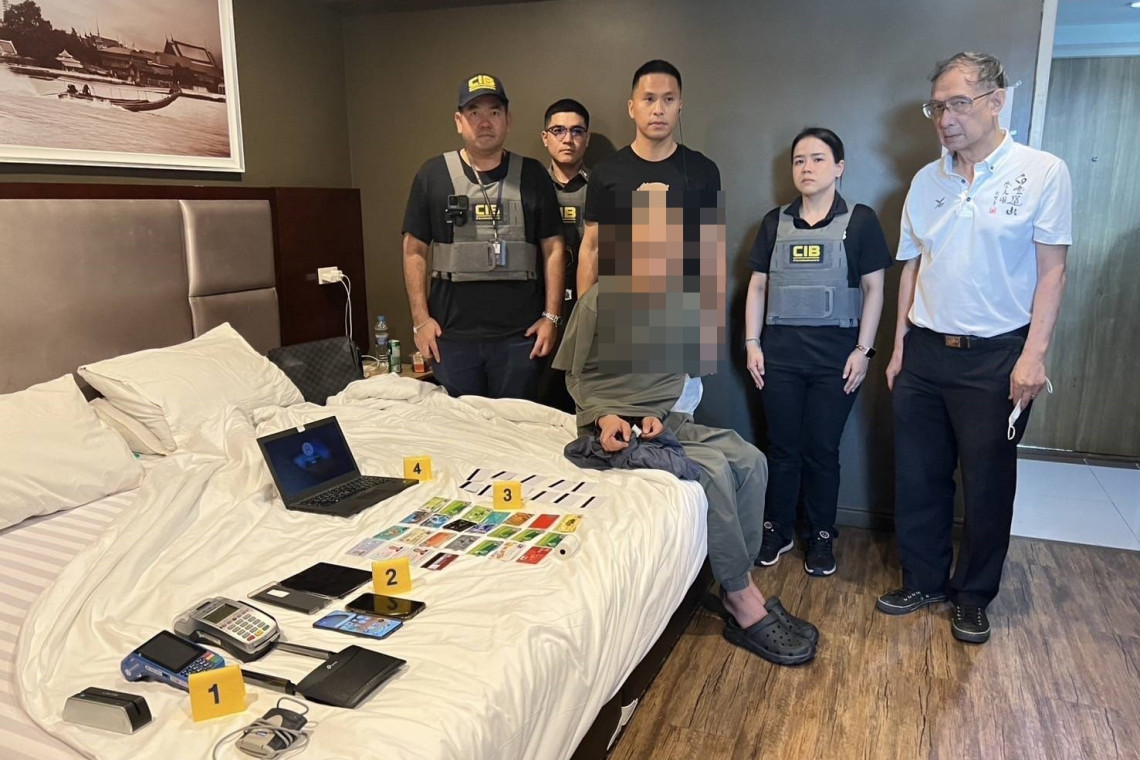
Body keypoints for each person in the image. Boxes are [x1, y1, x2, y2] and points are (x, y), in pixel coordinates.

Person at [565, 59, 818, 665]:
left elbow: (707, 255)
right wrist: (595, 320)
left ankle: (735, 572)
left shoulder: (699, 172)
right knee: (709, 471)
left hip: (672, 354)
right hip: (621, 379)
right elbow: (591, 258)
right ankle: (742, 599)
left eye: (669, 99)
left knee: (749, 461)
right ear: (632, 105)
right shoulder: (608, 187)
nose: (658, 108)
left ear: (681, 105)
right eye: (648, 98)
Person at [877, 52, 1071, 644]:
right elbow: (911, 268)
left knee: (987, 484)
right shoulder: (926, 181)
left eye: (958, 103)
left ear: (996, 101)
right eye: (937, 106)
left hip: (996, 357)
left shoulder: (1042, 172)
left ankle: (973, 594)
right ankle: (924, 580)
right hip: (925, 350)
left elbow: (1053, 272)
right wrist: (898, 347)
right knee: (919, 476)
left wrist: (1033, 356)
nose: (945, 118)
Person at [745, 128, 892, 577]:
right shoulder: (774, 222)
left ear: (839, 167)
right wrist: (751, 343)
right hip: (780, 358)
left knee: (822, 450)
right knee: (782, 448)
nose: (806, 168)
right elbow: (757, 287)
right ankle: (777, 528)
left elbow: (875, 289)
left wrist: (864, 351)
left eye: (817, 159)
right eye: (799, 160)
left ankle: (822, 533)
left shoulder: (861, 221)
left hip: (836, 361)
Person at [402, 73, 566, 400]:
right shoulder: (433, 175)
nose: (484, 122)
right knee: (461, 426)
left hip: (520, 339)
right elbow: (414, 250)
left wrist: (551, 317)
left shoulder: (533, 175)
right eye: (474, 112)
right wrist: (421, 320)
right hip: (451, 338)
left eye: (494, 112)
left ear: (508, 120)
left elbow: (554, 247)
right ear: (458, 121)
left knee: (515, 424)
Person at [536, 98, 592, 412]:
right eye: (558, 131)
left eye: (576, 131)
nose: (567, 139)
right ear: (545, 137)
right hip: (541, 311)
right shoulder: (529, 188)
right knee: (542, 402)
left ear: (587, 138)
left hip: (588, 307)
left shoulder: (602, 189)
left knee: (586, 403)